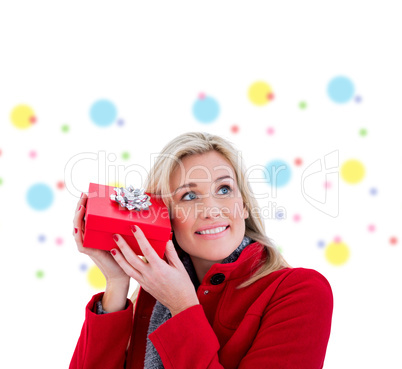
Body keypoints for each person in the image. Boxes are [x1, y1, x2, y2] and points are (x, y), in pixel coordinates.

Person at [69, 131, 333, 369]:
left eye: (224, 189)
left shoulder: (301, 291)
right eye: (189, 196)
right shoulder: (154, 295)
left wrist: (182, 307)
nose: (212, 210)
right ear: (165, 217)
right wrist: (117, 283)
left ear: (243, 205)